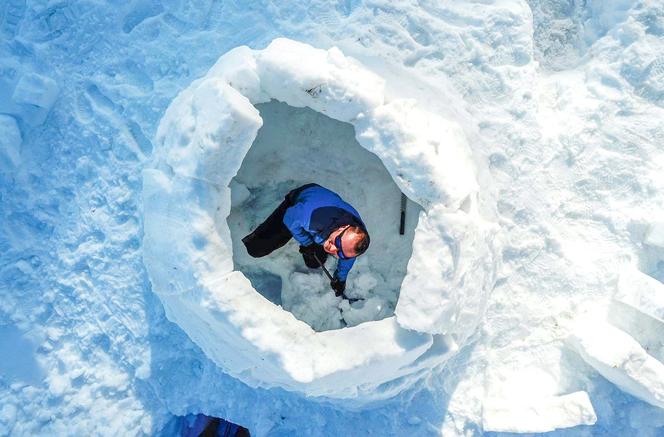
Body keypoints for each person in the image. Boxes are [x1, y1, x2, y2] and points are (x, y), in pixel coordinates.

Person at [242, 183, 370, 296]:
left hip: (326, 220)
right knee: (257, 249)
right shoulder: (311, 215)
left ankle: (318, 243)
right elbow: (289, 218)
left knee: (314, 261)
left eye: (340, 252)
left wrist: (340, 279)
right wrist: (307, 242)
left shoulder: (353, 239)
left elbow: (348, 256)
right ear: (343, 227)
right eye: (336, 243)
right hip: (300, 202)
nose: (332, 249)